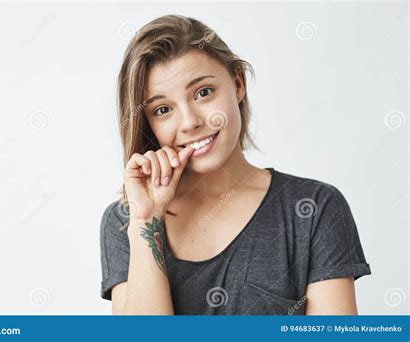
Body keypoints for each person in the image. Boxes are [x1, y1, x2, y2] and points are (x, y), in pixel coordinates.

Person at [100, 14, 371, 315]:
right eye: (163, 109)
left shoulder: (313, 208)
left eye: (203, 93)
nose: (190, 122)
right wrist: (146, 220)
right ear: (148, 123)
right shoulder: (126, 221)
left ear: (238, 83)